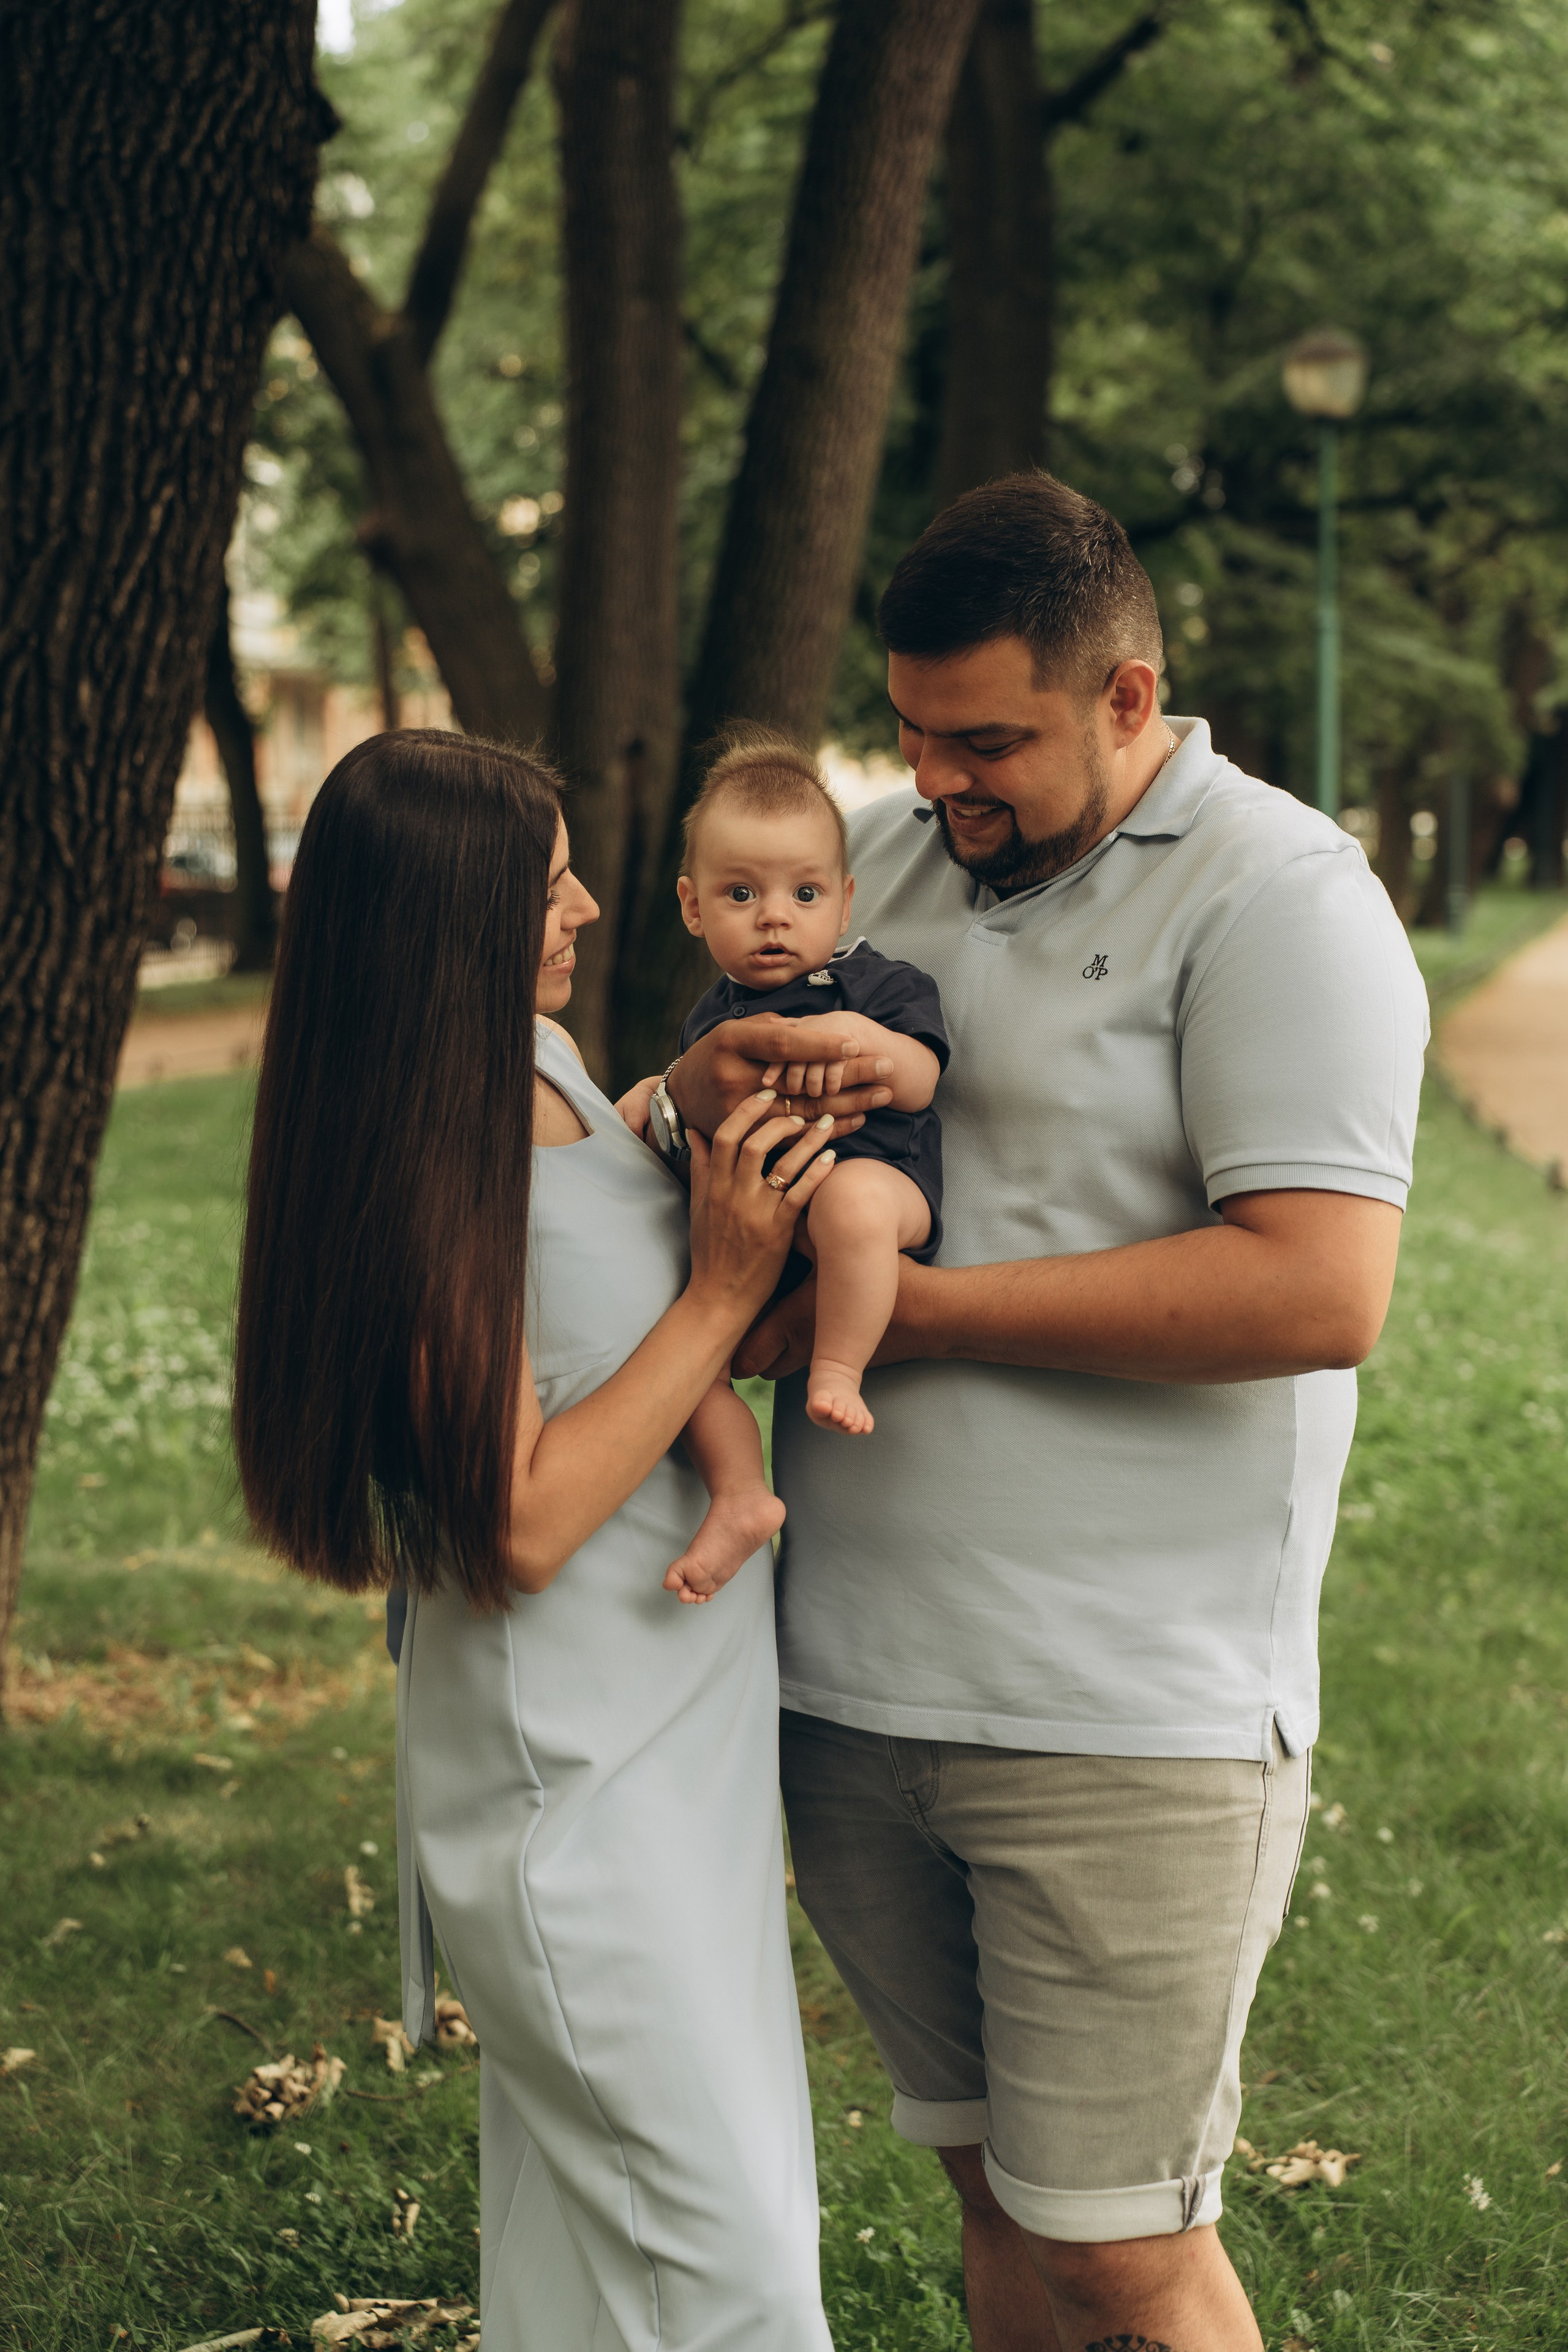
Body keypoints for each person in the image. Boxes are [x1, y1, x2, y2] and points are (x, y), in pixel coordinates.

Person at [647, 475, 1429, 2352]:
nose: (938, 782)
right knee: (995, 2196)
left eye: (987, 738)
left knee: (1119, 2246)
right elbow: (688, 1100)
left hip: (1127, 1709)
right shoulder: (880, 857)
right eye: (912, 734)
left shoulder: (1278, 895)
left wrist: (910, 1321)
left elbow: (1316, 1286)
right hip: (848, 1686)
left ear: (1127, 698)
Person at [232, 731, 836, 2352]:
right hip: (576, 1804)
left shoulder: (539, 1059)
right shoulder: (426, 1168)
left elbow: (599, 1192)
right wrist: (720, 1289)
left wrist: (682, 1097)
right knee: (740, 2288)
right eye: (543, 877)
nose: (579, 899)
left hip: (679, 1764)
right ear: (449, 919)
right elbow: (518, 1523)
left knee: (588, 2283)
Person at [673, 731, 948, 1449]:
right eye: (740, 893)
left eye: (805, 892)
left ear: (845, 901)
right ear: (692, 906)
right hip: (759, 1216)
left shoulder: (876, 985)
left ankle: (837, 1367)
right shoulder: (709, 1021)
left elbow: (921, 1081)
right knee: (675, 1310)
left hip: (879, 1182)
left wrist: (867, 1042)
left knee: (851, 1207)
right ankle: (735, 1489)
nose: (775, 915)